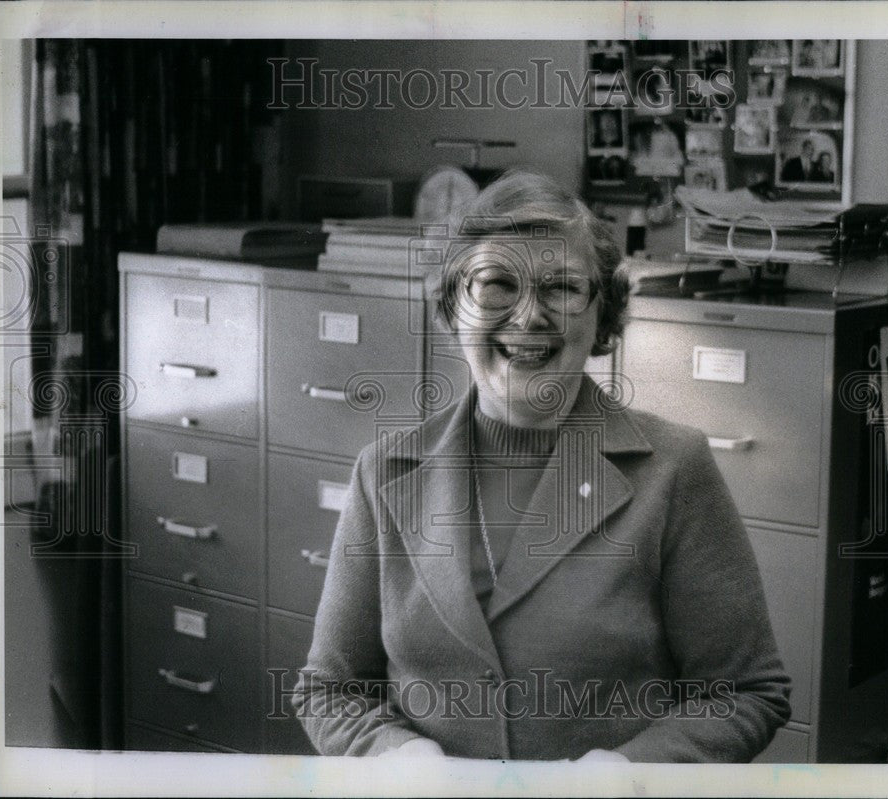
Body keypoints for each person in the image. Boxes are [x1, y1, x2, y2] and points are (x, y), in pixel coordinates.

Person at [292, 171, 791, 762]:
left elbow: (744, 693)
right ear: (454, 307)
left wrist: (626, 775)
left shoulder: (673, 469)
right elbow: (331, 690)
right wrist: (397, 758)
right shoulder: (383, 473)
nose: (529, 317)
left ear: (602, 316)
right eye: (497, 284)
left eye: (560, 287)